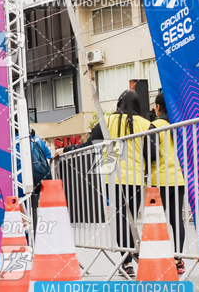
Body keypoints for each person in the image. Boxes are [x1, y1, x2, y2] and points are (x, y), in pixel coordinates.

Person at [66, 90, 154, 277]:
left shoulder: (107, 123)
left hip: (111, 179)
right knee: (131, 219)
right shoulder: (146, 124)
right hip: (135, 179)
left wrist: (67, 149)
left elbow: (88, 146)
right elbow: (152, 154)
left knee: (120, 219)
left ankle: (126, 262)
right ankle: (132, 253)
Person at [151, 92, 186, 275]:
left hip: (161, 180)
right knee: (176, 219)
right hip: (178, 179)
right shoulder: (179, 124)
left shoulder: (155, 126)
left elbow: (150, 154)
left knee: (157, 220)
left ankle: (160, 258)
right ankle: (179, 260)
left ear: (158, 107)